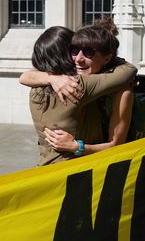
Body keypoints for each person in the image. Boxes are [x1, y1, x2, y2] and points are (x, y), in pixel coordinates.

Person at [21, 26, 136, 165]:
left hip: (46, 168)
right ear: (65, 54)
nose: (78, 58)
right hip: (77, 170)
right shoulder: (77, 85)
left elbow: (23, 77)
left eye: (88, 51)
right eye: (74, 50)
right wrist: (105, 55)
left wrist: (50, 78)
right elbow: (129, 70)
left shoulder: (36, 88)